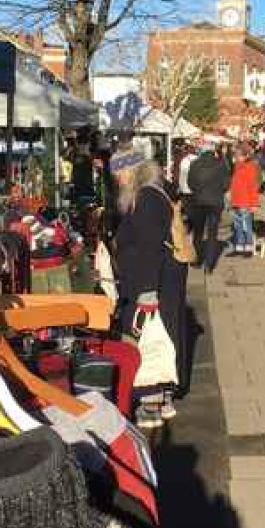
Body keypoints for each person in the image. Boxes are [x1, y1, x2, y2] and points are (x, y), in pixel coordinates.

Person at [112, 152, 186, 427]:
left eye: (119, 172)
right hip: (163, 278)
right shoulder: (155, 193)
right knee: (164, 338)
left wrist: (147, 291)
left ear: (131, 171)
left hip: (150, 282)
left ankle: (151, 403)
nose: (117, 178)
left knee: (148, 341)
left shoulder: (144, 200)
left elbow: (148, 248)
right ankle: (164, 398)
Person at [187, 143, 230, 273]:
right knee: (212, 234)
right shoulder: (221, 164)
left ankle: (197, 260)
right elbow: (226, 184)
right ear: (213, 152)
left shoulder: (195, 164)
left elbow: (190, 183)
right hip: (215, 203)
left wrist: (197, 191)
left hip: (198, 201)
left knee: (198, 232)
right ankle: (209, 265)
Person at [228, 144, 262, 256]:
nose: (236, 157)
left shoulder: (250, 167)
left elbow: (253, 186)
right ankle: (239, 247)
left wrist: (254, 203)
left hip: (245, 201)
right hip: (235, 200)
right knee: (237, 226)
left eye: (238, 155)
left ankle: (248, 248)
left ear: (246, 155)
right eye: (236, 154)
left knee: (247, 226)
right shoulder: (237, 166)